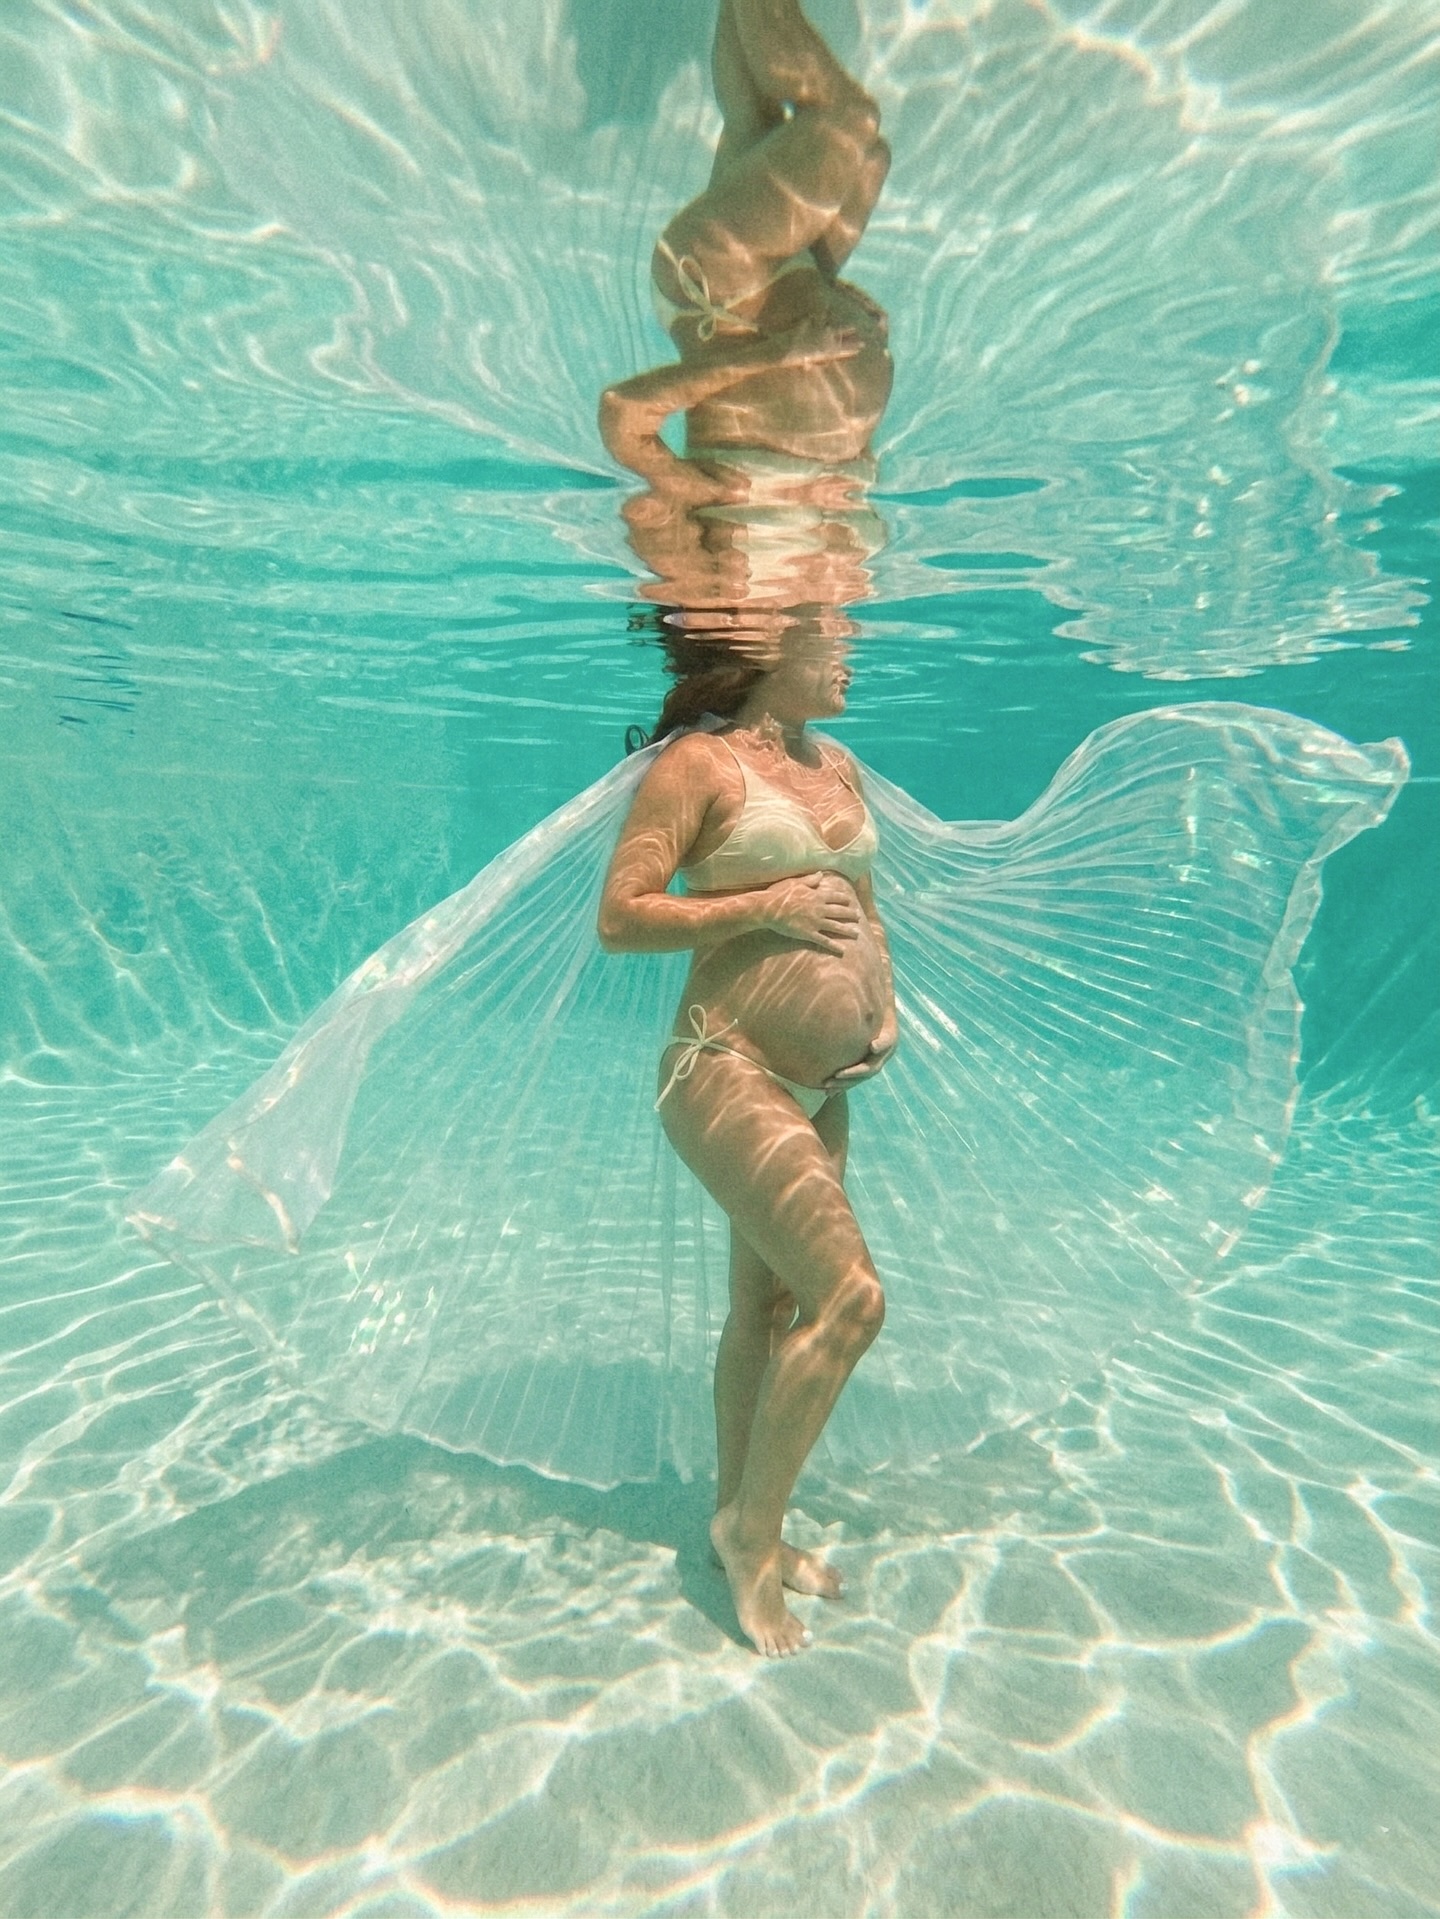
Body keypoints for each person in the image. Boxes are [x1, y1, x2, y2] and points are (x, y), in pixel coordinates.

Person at [599, 620, 895, 1656]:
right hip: (722, 1069)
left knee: (766, 1306)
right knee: (852, 1300)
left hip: (822, 1087)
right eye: (838, 630)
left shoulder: (839, 762)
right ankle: (749, 1531)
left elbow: (862, 896)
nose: (855, 644)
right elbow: (621, 915)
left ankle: (745, 1522)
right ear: (771, 642)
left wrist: (882, 1005)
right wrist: (764, 902)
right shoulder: (699, 763)